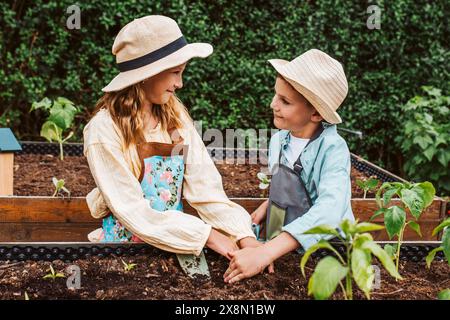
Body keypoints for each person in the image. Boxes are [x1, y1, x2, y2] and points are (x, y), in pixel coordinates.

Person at [83, 15, 260, 260]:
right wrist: (208, 236)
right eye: (176, 73)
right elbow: (132, 211)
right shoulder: (103, 129)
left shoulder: (175, 120)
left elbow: (206, 189)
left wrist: (244, 237)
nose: (180, 83)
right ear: (146, 74)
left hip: (177, 247)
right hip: (124, 257)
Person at [224, 49, 355, 283]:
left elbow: (331, 209)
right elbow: (292, 187)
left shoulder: (333, 149)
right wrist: (269, 204)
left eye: (285, 101)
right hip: (282, 249)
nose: (273, 104)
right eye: (276, 95)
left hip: (324, 256)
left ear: (316, 113)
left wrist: (266, 252)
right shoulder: (279, 140)